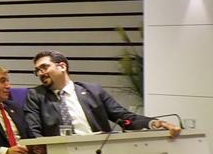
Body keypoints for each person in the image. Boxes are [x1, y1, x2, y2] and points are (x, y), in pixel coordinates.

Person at [24, 50, 180, 137]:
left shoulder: (93, 91)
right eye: (37, 70)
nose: (40, 73)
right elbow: (33, 130)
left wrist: (154, 123)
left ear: (62, 66)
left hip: (98, 152)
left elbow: (125, 118)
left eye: (44, 67)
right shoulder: (36, 95)